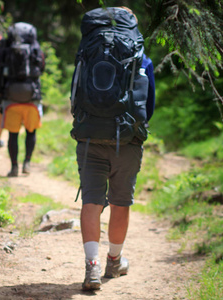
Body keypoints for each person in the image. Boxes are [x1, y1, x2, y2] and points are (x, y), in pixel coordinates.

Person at [70, 7, 156, 290]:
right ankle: (114, 261)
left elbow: (76, 95)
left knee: (91, 202)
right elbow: (149, 106)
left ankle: (91, 267)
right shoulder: (141, 58)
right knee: (121, 203)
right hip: (127, 140)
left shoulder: (87, 53)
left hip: (89, 136)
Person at [0, 22, 45, 177]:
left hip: (11, 97)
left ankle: (14, 167)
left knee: (13, 134)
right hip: (31, 97)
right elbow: (41, 67)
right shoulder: (34, 47)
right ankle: (27, 163)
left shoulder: (7, 48)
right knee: (31, 131)